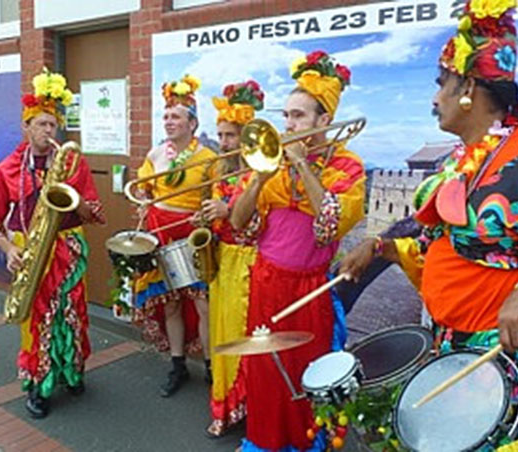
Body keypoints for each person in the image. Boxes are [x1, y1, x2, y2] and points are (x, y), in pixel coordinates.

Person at [340, 1, 518, 449]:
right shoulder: (457, 163)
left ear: (468, 86)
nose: (435, 99)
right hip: (444, 352)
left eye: (442, 85)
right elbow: (450, 249)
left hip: (500, 367)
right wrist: (385, 248)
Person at [230, 51, 365, 451]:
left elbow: (328, 226)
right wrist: (257, 181)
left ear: (324, 121)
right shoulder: (270, 166)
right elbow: (240, 224)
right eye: (286, 115)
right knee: (266, 371)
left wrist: (304, 166)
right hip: (266, 283)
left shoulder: (349, 166)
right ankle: (263, 440)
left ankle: (306, 445)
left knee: (305, 372)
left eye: (298, 116)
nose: (287, 125)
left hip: (310, 291)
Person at [0, 69, 105, 418]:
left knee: (72, 314)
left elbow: (92, 214)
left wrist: (80, 202)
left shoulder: (73, 162)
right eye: (40, 124)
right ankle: (38, 385)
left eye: (52, 125)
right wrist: (8, 248)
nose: (47, 131)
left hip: (68, 247)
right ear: (27, 127)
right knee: (37, 320)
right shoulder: (8, 168)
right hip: (28, 248)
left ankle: (72, 371)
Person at [132, 74, 218, 397]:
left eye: (176, 116)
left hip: (193, 234)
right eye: (165, 116)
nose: (168, 121)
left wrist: (205, 215)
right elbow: (144, 190)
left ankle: (211, 367)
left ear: (192, 123)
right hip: (161, 232)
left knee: (202, 303)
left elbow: (217, 195)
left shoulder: (209, 159)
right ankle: (178, 364)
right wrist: (144, 201)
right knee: (170, 305)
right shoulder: (155, 155)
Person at [204, 80, 265, 437]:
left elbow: (261, 224)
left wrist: (228, 210)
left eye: (229, 135)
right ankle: (224, 406)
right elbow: (219, 218)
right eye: (221, 134)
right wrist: (208, 218)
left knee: (247, 337)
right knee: (222, 337)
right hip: (224, 261)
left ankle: (250, 408)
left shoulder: (261, 173)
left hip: (251, 263)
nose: (223, 142)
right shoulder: (222, 172)